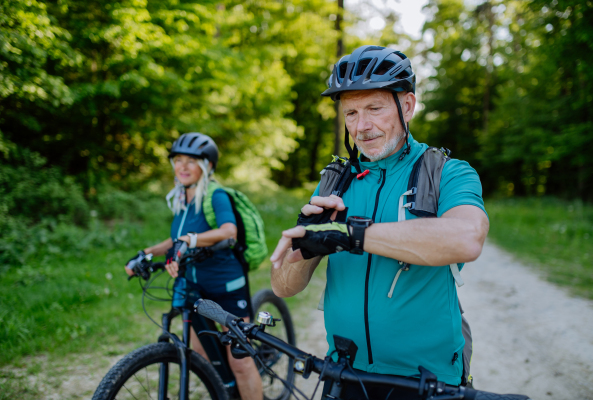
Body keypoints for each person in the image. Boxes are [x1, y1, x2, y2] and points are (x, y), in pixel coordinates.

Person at [270, 45, 489, 399]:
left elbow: (467, 238)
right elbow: (283, 287)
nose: (362, 126)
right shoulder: (334, 182)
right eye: (351, 112)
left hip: (424, 380)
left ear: (407, 106)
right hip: (343, 372)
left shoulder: (446, 173)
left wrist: (351, 234)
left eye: (374, 108)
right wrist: (304, 247)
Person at [125, 132, 262, 400]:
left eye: (192, 161)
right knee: (199, 355)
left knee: (241, 362)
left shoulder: (216, 195)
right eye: (178, 160)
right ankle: (224, 392)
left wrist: (191, 240)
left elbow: (228, 231)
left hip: (226, 286)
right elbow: (176, 238)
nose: (183, 166)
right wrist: (147, 253)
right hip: (193, 286)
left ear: (207, 166)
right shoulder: (182, 199)